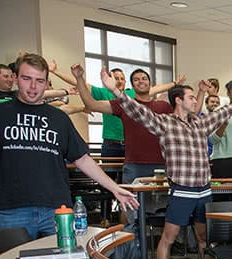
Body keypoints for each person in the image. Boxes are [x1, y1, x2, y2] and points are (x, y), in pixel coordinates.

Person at [102, 69, 232, 259]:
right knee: (169, 238)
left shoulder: (200, 124)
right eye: (191, 97)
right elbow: (138, 111)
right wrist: (115, 89)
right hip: (182, 190)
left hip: (204, 190)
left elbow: (220, 114)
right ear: (179, 101)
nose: (195, 101)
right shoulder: (165, 123)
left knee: (203, 238)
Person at [0, 54, 138, 239]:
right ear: (16, 79)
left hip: (57, 209)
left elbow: (83, 158)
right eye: (26, 79)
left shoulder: (59, 118)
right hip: (10, 210)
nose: (33, 86)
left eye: (39, 81)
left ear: (47, 83)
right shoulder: (1, 114)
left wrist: (114, 187)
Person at [73, 64, 173, 226]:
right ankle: (131, 244)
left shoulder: (164, 106)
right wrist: (79, 79)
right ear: (132, 86)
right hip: (134, 166)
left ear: (149, 83)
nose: (141, 81)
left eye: (144, 78)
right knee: (130, 209)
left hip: (162, 166)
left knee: (163, 209)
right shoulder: (123, 104)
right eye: (136, 79)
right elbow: (92, 104)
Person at [49, 60, 182, 158]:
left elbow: (156, 88)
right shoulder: (104, 93)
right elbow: (80, 83)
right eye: (116, 78)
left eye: (122, 78)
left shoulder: (131, 95)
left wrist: (175, 83)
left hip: (131, 145)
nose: (119, 81)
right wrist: (55, 72)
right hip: (111, 144)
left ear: (126, 82)